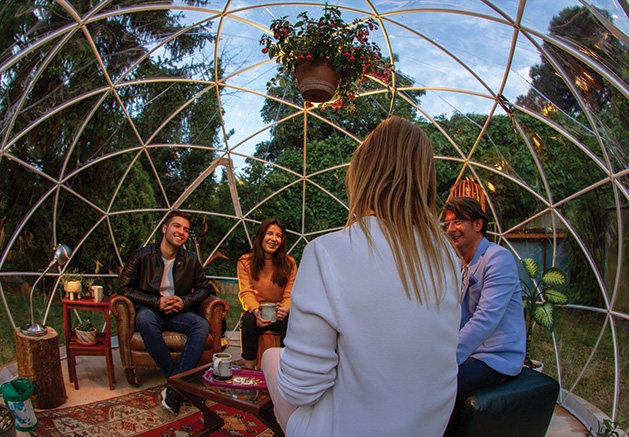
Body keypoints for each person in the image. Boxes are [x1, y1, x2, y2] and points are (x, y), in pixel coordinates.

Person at [261, 116, 462, 436]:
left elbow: (299, 389)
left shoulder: (329, 252)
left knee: (272, 356)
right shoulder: (449, 260)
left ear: (363, 174)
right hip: (426, 429)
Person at [118, 210, 216, 415]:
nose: (181, 232)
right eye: (176, 226)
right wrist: (157, 301)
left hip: (178, 312)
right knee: (144, 320)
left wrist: (183, 301)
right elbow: (124, 289)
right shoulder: (141, 255)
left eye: (186, 229)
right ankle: (180, 384)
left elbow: (205, 288)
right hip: (151, 309)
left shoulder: (190, 259)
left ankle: (174, 389)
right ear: (164, 228)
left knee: (201, 325)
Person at [442, 196, 526, 398]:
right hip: (472, 352)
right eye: (447, 224)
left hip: (496, 357)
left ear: (478, 224)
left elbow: (485, 319)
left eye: (458, 222)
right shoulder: (461, 264)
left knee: (440, 383)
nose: (451, 229)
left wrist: (448, 357)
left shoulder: (498, 258)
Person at [237, 218, 297, 369]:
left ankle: (286, 367)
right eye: (270, 233)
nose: (274, 239)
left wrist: (285, 309)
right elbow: (246, 292)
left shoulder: (289, 264)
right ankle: (249, 367)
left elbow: (290, 294)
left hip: (279, 313)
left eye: (278, 236)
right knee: (248, 319)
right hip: (258, 312)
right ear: (261, 235)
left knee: (290, 319)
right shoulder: (245, 262)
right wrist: (256, 311)